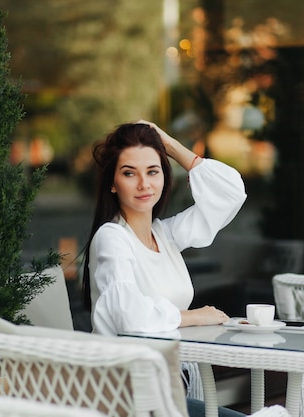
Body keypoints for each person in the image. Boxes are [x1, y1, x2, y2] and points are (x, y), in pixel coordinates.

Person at [82, 121, 247, 417]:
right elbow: (129, 316)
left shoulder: (165, 235)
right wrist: (194, 316)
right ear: (112, 182)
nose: (144, 184)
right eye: (129, 173)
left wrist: (170, 145)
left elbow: (231, 194)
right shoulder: (112, 238)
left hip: (169, 389)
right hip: (129, 397)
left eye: (153, 171)